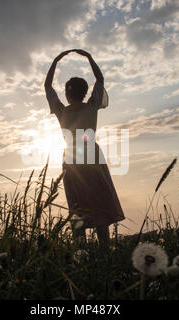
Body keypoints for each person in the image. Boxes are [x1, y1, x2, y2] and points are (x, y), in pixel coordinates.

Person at [44, 49, 125, 250]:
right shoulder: (91, 107)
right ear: (85, 92)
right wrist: (89, 57)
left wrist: (55, 60)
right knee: (99, 203)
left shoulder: (61, 111)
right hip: (92, 157)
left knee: (77, 205)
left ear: (67, 94)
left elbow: (47, 86)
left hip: (71, 160)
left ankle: (81, 253)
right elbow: (100, 79)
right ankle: (105, 252)